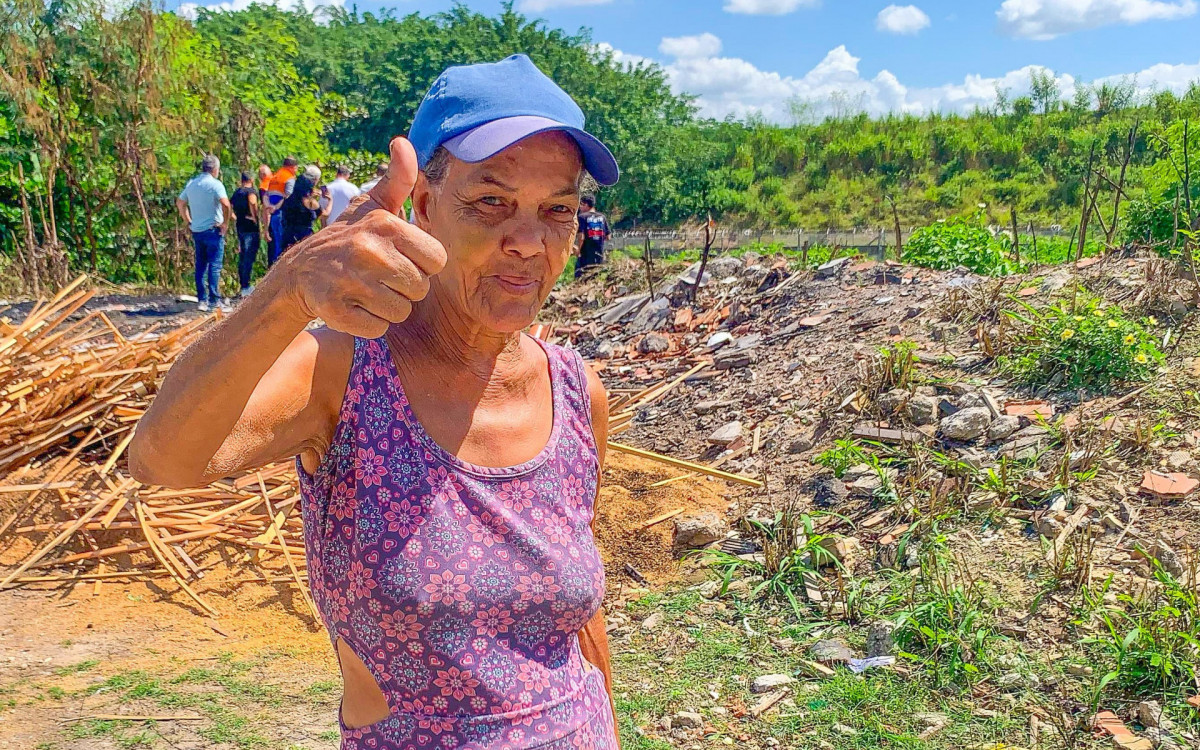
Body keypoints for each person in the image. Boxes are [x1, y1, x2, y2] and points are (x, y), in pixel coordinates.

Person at [131, 54, 621, 750]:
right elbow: (162, 462)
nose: (528, 242)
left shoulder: (575, 391)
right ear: (422, 206)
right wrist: (289, 287)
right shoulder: (346, 372)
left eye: (557, 210)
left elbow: (580, 612)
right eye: (491, 201)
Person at [176, 154, 232, 312]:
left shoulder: (192, 184)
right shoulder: (215, 185)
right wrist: (225, 223)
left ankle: (202, 300)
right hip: (213, 229)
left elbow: (180, 202)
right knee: (214, 265)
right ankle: (215, 301)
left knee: (201, 265)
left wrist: (188, 220)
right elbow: (226, 204)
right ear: (215, 169)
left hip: (197, 230)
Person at [278, 165, 328, 254]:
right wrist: (330, 200)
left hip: (288, 237)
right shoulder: (310, 202)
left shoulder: (290, 198)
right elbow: (324, 214)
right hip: (304, 239)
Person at [230, 172, 261, 297]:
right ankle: (246, 285)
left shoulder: (237, 192)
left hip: (240, 226)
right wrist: (255, 217)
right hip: (250, 227)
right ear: (251, 179)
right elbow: (252, 203)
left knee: (243, 256)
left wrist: (235, 217)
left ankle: (243, 284)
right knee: (249, 255)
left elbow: (229, 206)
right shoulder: (251, 192)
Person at [265, 157, 298, 266]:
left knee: (275, 243)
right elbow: (289, 197)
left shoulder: (274, 177)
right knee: (281, 243)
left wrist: (269, 206)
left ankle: (273, 265)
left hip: (273, 213)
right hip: (282, 213)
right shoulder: (289, 178)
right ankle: (279, 267)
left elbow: (266, 195)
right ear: (293, 167)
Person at [574, 194, 610, 278]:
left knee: (580, 277)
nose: (580, 207)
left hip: (585, 255)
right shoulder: (602, 217)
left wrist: (578, 250)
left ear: (586, 204)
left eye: (581, 204)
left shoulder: (582, 217)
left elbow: (581, 237)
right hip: (599, 254)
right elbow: (608, 237)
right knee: (596, 277)